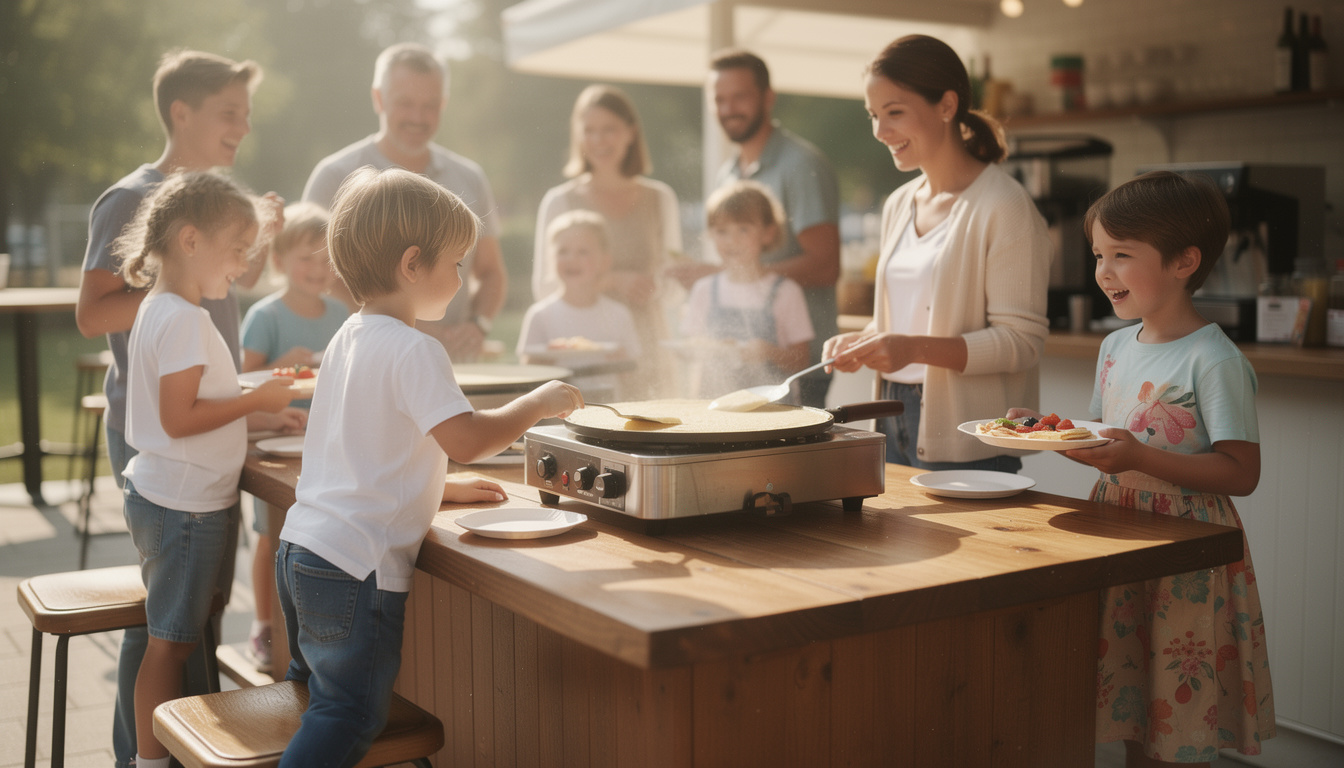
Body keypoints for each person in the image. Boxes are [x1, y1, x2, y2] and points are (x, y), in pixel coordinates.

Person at [275, 167, 583, 768]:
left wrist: (440, 485)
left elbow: (363, 451)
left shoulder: (349, 336)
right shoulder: (417, 349)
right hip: (355, 570)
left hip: (303, 550)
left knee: (317, 693)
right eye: (458, 263)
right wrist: (538, 403)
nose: (463, 279)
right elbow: (467, 437)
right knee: (350, 715)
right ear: (412, 265)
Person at [72, 48, 284, 768]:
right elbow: (92, 312)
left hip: (204, 425)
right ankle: (146, 752)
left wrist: (245, 252)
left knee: (191, 617)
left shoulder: (214, 203)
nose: (241, 129)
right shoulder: (133, 200)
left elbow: (215, 289)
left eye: (246, 117)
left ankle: (191, 748)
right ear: (180, 112)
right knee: (164, 623)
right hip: (163, 440)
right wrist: (174, 283)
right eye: (230, 114)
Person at [1028, 171, 1273, 767]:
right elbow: (1101, 437)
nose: (1103, 272)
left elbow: (1241, 473)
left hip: (1186, 544)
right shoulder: (1115, 347)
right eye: (1097, 255)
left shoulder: (1214, 360)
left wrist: (1138, 457)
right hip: (1117, 527)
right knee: (1133, 698)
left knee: (1174, 715)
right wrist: (1042, 428)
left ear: (1184, 261)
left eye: (1121, 255)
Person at [114, 171, 306, 768]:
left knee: (176, 639)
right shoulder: (185, 319)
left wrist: (261, 422)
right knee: (169, 646)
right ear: (191, 240)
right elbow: (179, 418)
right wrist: (258, 400)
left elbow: (189, 410)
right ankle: (151, 761)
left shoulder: (163, 307)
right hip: (185, 510)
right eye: (237, 251)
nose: (243, 266)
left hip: (170, 496)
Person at [822, 35, 1051, 471]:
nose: (879, 131)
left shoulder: (1005, 206)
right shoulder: (898, 203)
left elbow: (1022, 343)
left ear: (947, 105)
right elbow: (917, 314)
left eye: (894, 113)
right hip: (890, 415)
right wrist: (868, 339)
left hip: (969, 434)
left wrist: (911, 348)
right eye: (873, 115)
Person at [302, 42, 505, 361]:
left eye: (430, 105)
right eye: (405, 102)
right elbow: (315, 274)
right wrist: (407, 324)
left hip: (454, 362)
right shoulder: (332, 176)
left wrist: (477, 325)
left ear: (444, 103)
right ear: (378, 98)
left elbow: (492, 271)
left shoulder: (470, 177)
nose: (418, 117)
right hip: (367, 359)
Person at [676, 49, 840, 407]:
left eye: (740, 96)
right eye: (719, 99)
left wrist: (729, 273)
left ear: (768, 97)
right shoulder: (728, 174)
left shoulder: (801, 165)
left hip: (797, 370)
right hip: (728, 381)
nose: (728, 108)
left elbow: (827, 265)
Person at [238, 201, 349, 672]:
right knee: (271, 531)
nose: (317, 268)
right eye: (306, 258)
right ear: (280, 261)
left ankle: (309, 625)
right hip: (272, 439)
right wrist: (287, 364)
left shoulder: (342, 312)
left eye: (326, 259)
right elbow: (245, 382)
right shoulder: (265, 315)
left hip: (323, 442)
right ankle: (264, 624)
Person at [531, 85, 682, 396]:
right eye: (590, 131)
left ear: (631, 133)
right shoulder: (560, 201)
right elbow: (545, 288)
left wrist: (655, 286)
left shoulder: (661, 199)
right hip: (584, 353)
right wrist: (612, 280)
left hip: (647, 349)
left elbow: (675, 286)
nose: (599, 140)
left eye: (609, 129)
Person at [680, 180, 812, 398]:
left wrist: (769, 352)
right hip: (713, 410)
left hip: (773, 416)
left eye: (743, 229)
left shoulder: (786, 292)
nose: (732, 240)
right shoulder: (704, 289)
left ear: (768, 233)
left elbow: (802, 361)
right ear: (711, 234)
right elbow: (690, 351)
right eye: (722, 231)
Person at [517, 210, 641, 400]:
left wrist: (623, 363)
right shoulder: (540, 315)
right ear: (550, 260)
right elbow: (527, 372)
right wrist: (539, 363)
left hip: (609, 408)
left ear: (605, 261)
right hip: (556, 410)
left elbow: (633, 375)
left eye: (583, 252)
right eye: (562, 251)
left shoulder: (619, 314)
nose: (571, 259)